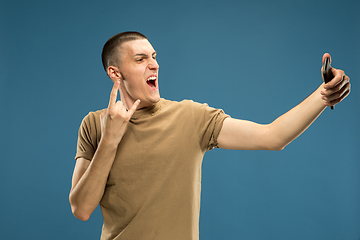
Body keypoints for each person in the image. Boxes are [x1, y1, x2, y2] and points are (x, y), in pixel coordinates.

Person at [69, 31, 351, 240]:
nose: (153, 65)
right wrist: (110, 139)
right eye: (141, 59)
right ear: (115, 74)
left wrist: (323, 95)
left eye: (154, 57)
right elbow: (81, 208)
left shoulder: (191, 117)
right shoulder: (94, 125)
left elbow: (272, 136)